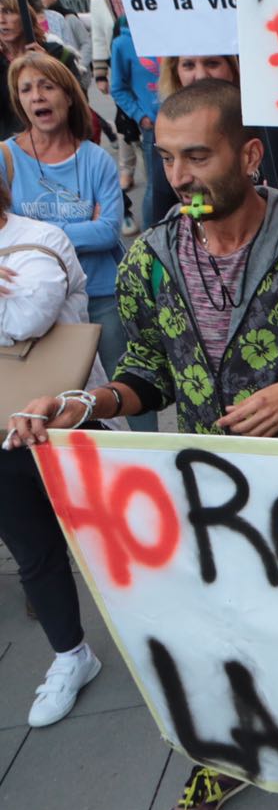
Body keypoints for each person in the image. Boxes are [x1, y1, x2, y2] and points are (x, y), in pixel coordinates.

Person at [6, 78, 278, 810]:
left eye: (196, 156)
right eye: (165, 159)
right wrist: (82, 403)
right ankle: (237, 751)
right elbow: (146, 376)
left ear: (249, 155)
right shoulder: (147, 262)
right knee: (235, 633)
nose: (177, 177)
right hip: (217, 503)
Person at [0, 184, 119, 728]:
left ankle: (167, 639)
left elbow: (29, 316)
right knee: (34, 553)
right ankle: (72, 656)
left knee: (119, 540)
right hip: (3, 436)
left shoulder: (39, 238)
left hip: (70, 423)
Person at [2, 51, 155, 432]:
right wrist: (70, 228)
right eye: (26, 89)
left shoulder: (95, 160)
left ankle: (146, 461)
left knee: (124, 388)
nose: (37, 96)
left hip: (102, 294)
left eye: (47, 86)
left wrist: (39, 233)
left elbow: (107, 230)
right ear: (18, 100)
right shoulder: (5, 158)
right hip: (31, 300)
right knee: (57, 403)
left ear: (68, 96)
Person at [151, 55, 278, 220]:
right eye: (188, 65)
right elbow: (161, 211)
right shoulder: (167, 130)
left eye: (212, 63)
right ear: (175, 71)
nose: (201, 75)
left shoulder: (273, 117)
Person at [0, 0, 85, 142]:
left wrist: (48, 68)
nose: (1, 20)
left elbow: (78, 98)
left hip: (58, 144)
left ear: (25, 15)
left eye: (8, 12)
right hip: (12, 153)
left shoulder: (56, 53)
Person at [108, 16, 161, 232]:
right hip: (154, 127)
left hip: (189, 120)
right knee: (157, 187)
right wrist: (140, 115)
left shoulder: (177, 28)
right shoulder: (122, 43)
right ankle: (150, 243)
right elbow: (118, 88)